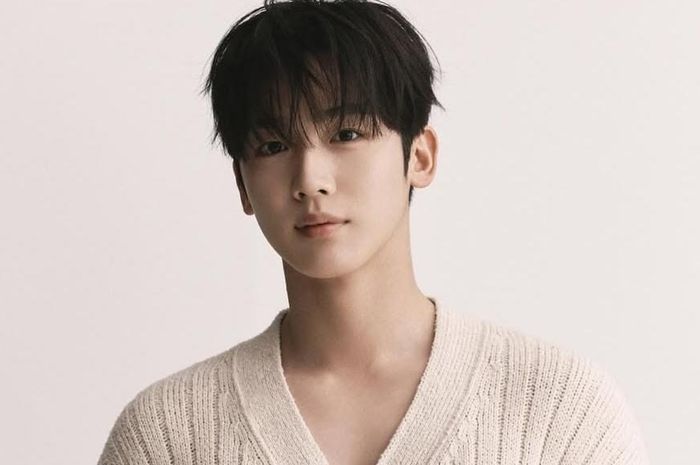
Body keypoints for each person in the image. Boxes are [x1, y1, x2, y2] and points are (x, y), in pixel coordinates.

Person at [97, 1, 650, 464]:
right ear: (242, 185)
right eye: (273, 146)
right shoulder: (166, 438)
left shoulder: (559, 414)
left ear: (420, 156)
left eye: (346, 133)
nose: (310, 179)